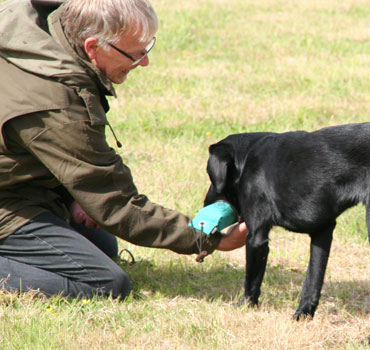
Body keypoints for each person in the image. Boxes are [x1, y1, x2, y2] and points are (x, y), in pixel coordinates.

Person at [0, 0, 247, 299]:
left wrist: (74, 193)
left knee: (102, 245)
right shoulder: (55, 103)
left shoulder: (36, 26)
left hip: (16, 185)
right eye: (136, 53)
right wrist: (207, 239)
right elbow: (116, 204)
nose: (144, 62)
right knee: (106, 283)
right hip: (7, 200)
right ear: (92, 47)